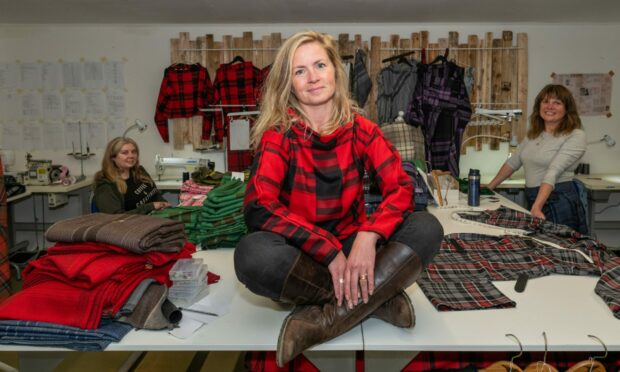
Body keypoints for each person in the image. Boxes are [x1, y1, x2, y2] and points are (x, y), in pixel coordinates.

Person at [233, 31, 443, 367]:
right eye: (300, 71)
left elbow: (402, 188)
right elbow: (259, 206)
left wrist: (369, 233)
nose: (313, 77)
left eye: (319, 65)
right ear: (289, 83)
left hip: (355, 250)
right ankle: (376, 300)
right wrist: (327, 251)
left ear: (336, 71)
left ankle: (325, 317)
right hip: (301, 254)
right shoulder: (279, 135)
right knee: (251, 255)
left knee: (427, 226)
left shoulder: (361, 129)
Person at [488, 84, 587, 233]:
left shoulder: (575, 135)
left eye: (557, 103)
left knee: (560, 249)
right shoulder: (533, 134)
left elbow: (553, 171)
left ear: (567, 109)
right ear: (538, 105)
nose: (550, 106)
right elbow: (513, 162)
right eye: (545, 101)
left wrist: (537, 206)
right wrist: (489, 187)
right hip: (536, 199)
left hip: (559, 199)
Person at [93, 137, 170, 214]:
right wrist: (150, 207)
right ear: (112, 157)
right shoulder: (105, 184)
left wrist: (164, 204)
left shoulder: (140, 172)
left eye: (134, 152)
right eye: (125, 152)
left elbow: (155, 195)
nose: (131, 156)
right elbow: (116, 218)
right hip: (131, 225)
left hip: (154, 219)